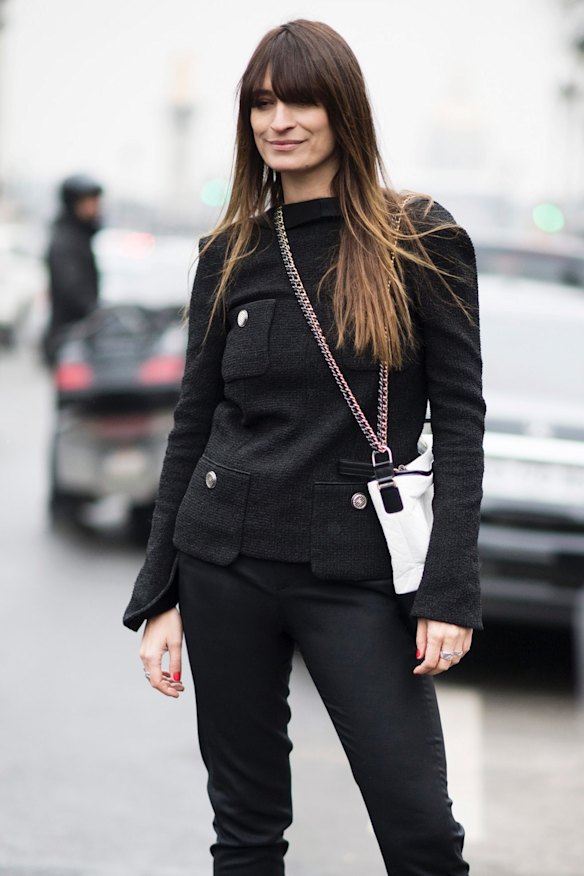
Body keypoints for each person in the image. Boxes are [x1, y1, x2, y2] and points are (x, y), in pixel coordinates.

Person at [123, 19, 485, 876]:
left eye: (301, 99)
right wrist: (159, 595)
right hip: (226, 563)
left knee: (421, 833)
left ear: (343, 109)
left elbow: (462, 424)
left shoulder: (420, 239)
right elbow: (193, 421)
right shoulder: (231, 250)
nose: (278, 119)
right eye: (261, 102)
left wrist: (450, 591)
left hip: (356, 573)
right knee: (246, 832)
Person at [42, 173, 103, 366]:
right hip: (69, 337)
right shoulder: (66, 241)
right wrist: (96, 312)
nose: (96, 207)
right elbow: (73, 290)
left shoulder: (78, 236)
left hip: (76, 335)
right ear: (73, 203)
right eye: (90, 201)